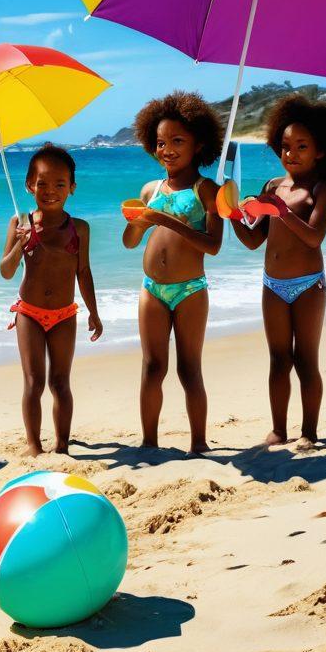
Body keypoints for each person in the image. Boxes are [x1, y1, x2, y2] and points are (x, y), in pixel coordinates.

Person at [229, 95, 326, 448]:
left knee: (305, 360)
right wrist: (232, 215)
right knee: (278, 359)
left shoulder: (322, 188)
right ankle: (279, 430)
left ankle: (310, 431)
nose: (291, 153)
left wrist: (281, 211)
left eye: (301, 146)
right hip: (272, 284)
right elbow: (255, 241)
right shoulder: (272, 187)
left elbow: (314, 238)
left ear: (321, 151)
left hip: (308, 284)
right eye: (285, 146)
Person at [122, 91, 224, 454]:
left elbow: (212, 245)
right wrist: (138, 221)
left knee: (189, 369)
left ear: (199, 145)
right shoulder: (151, 189)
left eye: (178, 141)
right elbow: (130, 242)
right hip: (152, 288)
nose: (168, 149)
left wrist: (166, 220)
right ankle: (149, 442)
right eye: (161, 142)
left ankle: (199, 443)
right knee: (152, 367)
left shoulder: (207, 190)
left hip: (190, 290)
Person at [0, 144, 102, 456]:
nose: (50, 190)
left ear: (72, 187)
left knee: (61, 383)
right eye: (42, 183)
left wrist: (94, 313)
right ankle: (33, 446)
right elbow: (6, 271)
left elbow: (83, 272)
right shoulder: (21, 222)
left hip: (64, 314)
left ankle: (61, 446)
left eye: (59, 184)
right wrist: (20, 243)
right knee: (34, 382)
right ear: (29, 185)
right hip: (29, 313)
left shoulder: (79, 228)